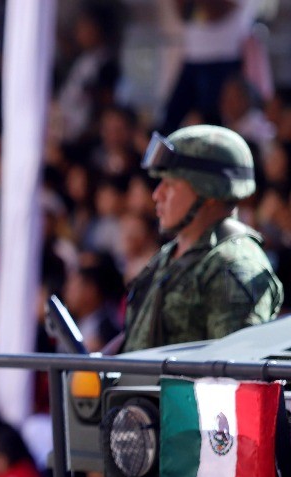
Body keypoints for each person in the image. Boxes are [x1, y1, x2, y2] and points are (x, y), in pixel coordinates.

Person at [120, 124, 282, 352]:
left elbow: (234, 368)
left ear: (209, 193)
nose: (157, 195)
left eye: (171, 184)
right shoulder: (171, 254)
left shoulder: (234, 265)